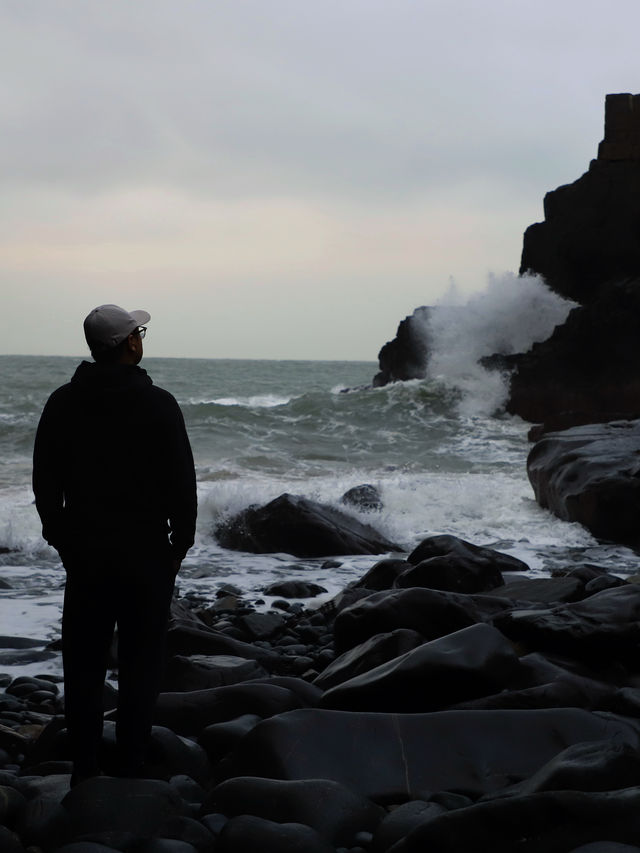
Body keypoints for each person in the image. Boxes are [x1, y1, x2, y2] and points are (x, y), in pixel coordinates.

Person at [33, 304, 197, 784]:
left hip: (86, 554)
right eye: (138, 332)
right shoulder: (159, 403)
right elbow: (181, 481)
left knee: (83, 662)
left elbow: (45, 483)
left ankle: (84, 767)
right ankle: (130, 764)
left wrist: (60, 538)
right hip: (146, 552)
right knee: (142, 663)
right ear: (128, 343)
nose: (141, 338)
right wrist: (179, 542)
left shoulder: (63, 401)